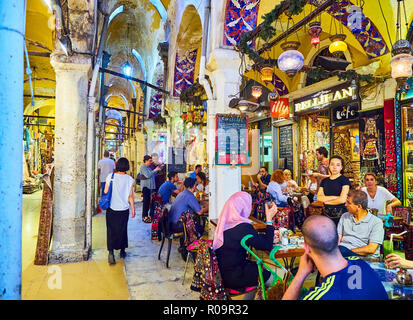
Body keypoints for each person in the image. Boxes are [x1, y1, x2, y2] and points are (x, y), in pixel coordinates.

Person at [282, 215, 388, 300]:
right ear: (338, 240)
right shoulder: (360, 264)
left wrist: (300, 274)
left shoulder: (321, 295)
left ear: (306, 248)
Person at [213, 192, 277, 299]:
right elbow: (266, 245)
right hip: (235, 276)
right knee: (270, 278)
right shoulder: (243, 227)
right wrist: (269, 219)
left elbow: (252, 238)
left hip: (223, 273)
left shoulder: (225, 223)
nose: (251, 207)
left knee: (257, 268)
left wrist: (267, 235)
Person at [103, 157, 135, 265]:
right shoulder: (130, 179)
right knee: (122, 229)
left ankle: (111, 253)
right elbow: (131, 196)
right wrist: (133, 210)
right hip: (124, 209)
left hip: (112, 209)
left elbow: (106, 191)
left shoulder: (110, 177)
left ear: (117, 166)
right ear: (127, 167)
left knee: (111, 230)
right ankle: (122, 251)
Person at [337, 190, 384, 258]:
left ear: (359, 206)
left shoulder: (376, 222)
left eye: (349, 203)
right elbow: (338, 238)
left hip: (363, 257)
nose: (345, 204)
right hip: (342, 253)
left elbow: (371, 249)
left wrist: (347, 252)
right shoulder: (345, 216)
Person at [317, 155, 350, 225]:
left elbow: (343, 200)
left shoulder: (344, 180)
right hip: (326, 214)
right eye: (332, 164)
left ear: (341, 167)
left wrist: (326, 201)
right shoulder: (324, 181)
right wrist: (335, 197)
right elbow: (319, 197)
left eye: (338, 165)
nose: (334, 167)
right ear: (329, 166)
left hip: (341, 215)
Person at [140, 155, 161, 223]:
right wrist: (155, 170)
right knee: (146, 203)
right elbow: (148, 175)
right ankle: (144, 217)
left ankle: (147, 216)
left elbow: (152, 175)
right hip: (146, 187)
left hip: (150, 188)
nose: (150, 162)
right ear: (145, 161)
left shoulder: (148, 167)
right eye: (149, 161)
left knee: (148, 202)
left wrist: (157, 170)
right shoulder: (143, 167)